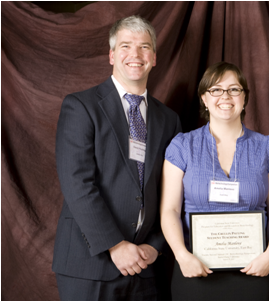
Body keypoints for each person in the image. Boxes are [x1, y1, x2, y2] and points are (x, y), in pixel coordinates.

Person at [52, 15, 181, 300]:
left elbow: (171, 191)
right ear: (111, 55)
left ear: (154, 58)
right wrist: (114, 245)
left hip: (146, 265)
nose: (135, 54)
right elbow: (77, 183)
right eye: (125, 46)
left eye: (144, 47)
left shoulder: (169, 120)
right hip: (89, 263)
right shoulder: (81, 107)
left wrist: (156, 245)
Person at [160, 62, 269, 301]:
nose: (225, 96)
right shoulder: (182, 146)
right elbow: (170, 210)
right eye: (216, 90)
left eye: (234, 89)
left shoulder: (267, 148)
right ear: (204, 99)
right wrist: (181, 255)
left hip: (256, 271)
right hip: (195, 270)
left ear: (244, 98)